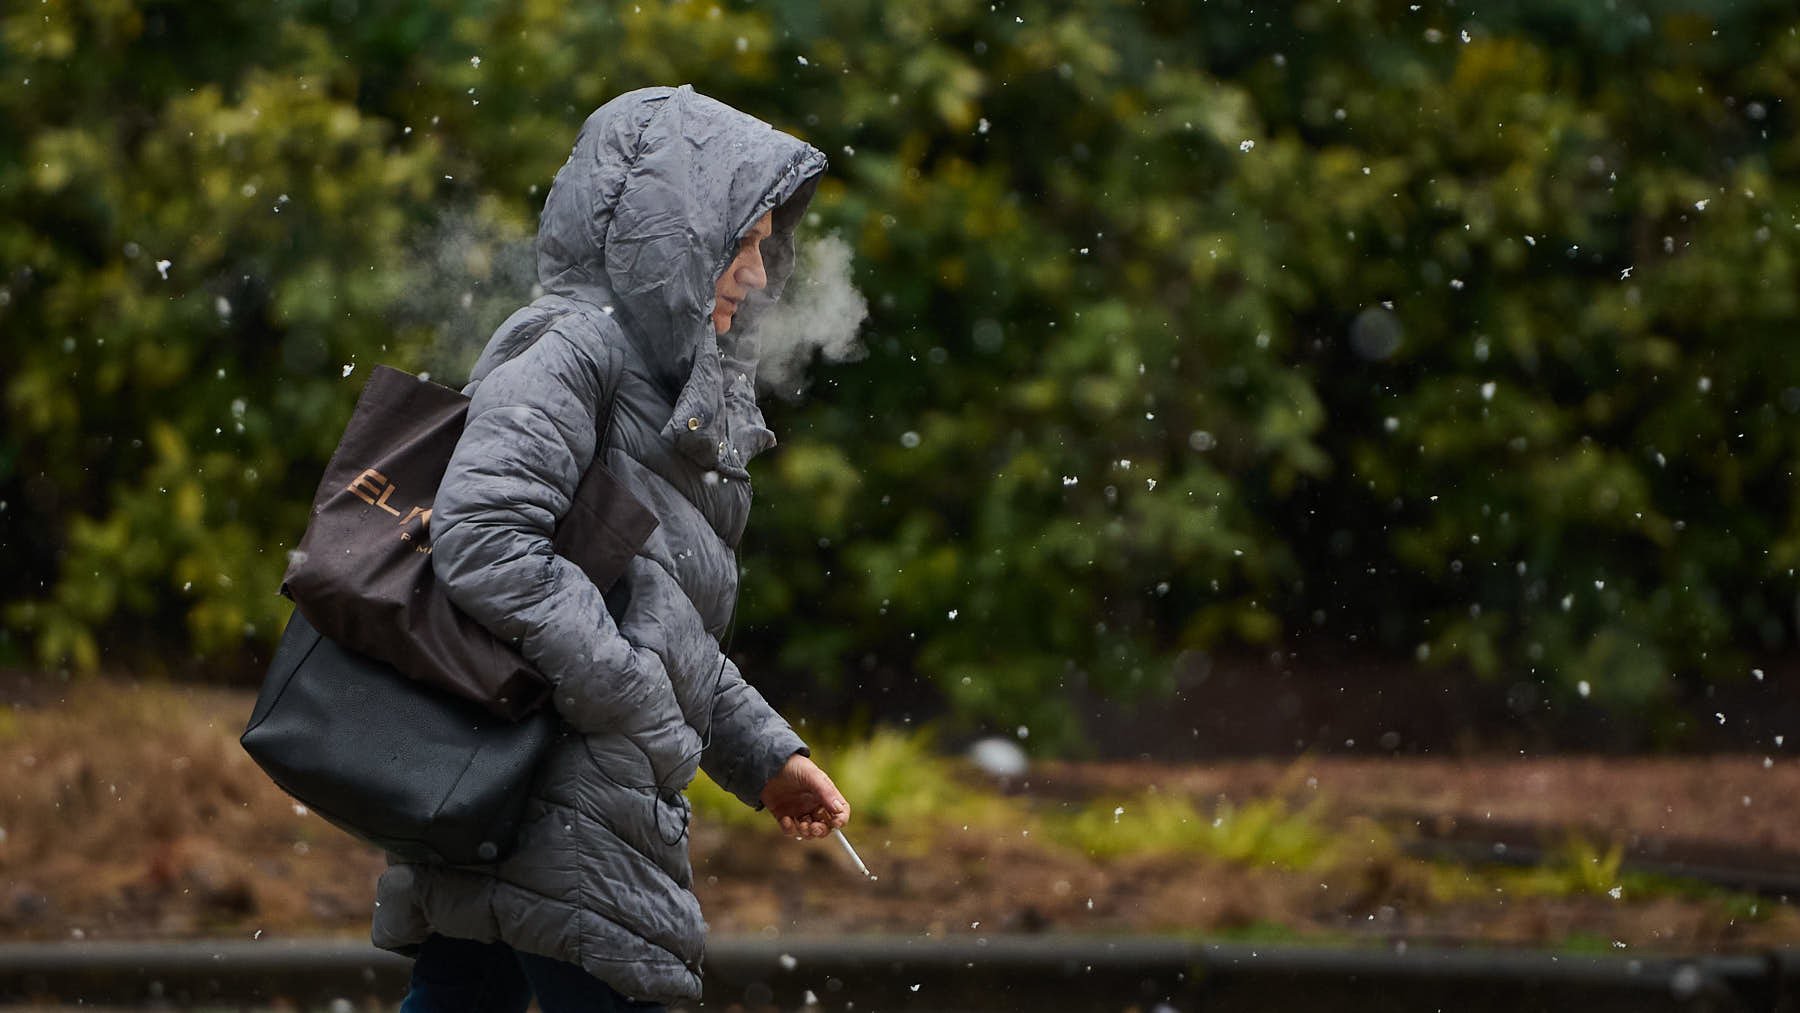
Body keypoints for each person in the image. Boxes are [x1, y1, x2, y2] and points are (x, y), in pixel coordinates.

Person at [373, 85, 852, 1012]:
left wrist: (765, 757)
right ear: (673, 232)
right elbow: (482, 534)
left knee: (462, 992)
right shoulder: (573, 349)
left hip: (533, 794)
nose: (757, 274)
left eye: (763, 245)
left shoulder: (650, 382)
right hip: (554, 799)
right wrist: (624, 687)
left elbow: (654, 617)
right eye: (740, 241)